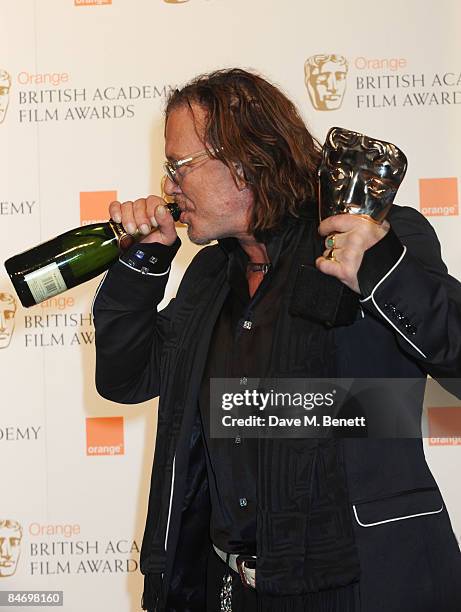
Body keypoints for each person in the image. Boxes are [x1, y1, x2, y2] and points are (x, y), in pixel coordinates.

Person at [93, 68, 461, 611]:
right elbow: (126, 378)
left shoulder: (369, 239)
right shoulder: (210, 277)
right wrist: (142, 262)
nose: (168, 185)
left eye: (180, 166)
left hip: (368, 581)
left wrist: (380, 267)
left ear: (247, 160)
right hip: (237, 588)